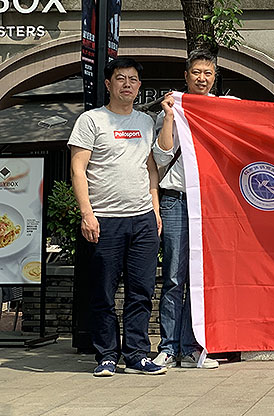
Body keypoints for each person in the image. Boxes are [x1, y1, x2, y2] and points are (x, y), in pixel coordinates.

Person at [68, 57, 165, 376]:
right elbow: (78, 169)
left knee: (141, 291)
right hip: (104, 219)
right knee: (103, 292)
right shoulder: (91, 120)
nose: (127, 84)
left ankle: (137, 354)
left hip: (143, 220)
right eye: (121, 78)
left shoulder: (146, 122)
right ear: (108, 84)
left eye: (133, 79)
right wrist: (87, 213)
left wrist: (155, 209)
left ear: (139, 86)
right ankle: (107, 355)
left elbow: (151, 168)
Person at [152, 50, 222, 370]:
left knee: (199, 278)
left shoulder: (221, 109)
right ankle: (167, 347)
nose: (202, 79)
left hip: (208, 202)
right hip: (176, 200)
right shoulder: (172, 108)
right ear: (186, 76)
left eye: (208, 73)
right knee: (173, 276)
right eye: (196, 72)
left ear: (214, 77)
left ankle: (192, 347)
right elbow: (161, 156)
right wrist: (169, 116)